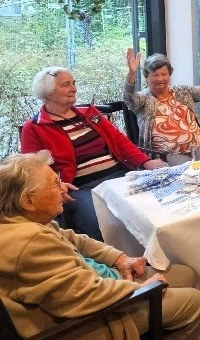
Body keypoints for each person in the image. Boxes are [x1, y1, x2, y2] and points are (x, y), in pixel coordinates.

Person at [0, 150, 200, 340]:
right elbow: (84, 296)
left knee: (185, 274)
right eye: (55, 184)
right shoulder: (29, 242)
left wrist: (120, 258)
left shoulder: (24, 221)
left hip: (97, 291)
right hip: (86, 323)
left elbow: (76, 240)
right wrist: (140, 289)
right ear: (28, 201)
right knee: (194, 302)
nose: (63, 189)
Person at [21, 67, 166, 240]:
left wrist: (145, 161)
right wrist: (57, 185)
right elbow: (34, 169)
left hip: (119, 175)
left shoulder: (88, 113)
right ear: (48, 93)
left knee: (155, 204)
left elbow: (119, 140)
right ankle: (113, 257)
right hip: (81, 187)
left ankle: (157, 251)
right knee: (104, 224)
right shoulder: (35, 128)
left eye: (73, 83)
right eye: (66, 85)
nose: (74, 88)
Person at [124, 50, 200, 154]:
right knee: (194, 171)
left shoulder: (181, 91)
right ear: (146, 76)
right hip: (168, 154)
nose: (160, 79)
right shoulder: (143, 99)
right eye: (155, 75)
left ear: (169, 74)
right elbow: (129, 98)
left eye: (164, 74)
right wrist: (132, 73)